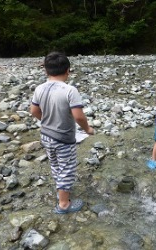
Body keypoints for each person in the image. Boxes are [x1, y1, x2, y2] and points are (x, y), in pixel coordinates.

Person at [30, 51, 94, 214]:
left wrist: (47, 120)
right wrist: (87, 129)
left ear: (46, 71)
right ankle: (64, 204)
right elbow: (79, 116)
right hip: (63, 138)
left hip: (46, 135)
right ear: (68, 70)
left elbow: (34, 111)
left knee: (56, 164)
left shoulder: (39, 88)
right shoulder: (69, 90)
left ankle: (60, 190)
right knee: (67, 168)